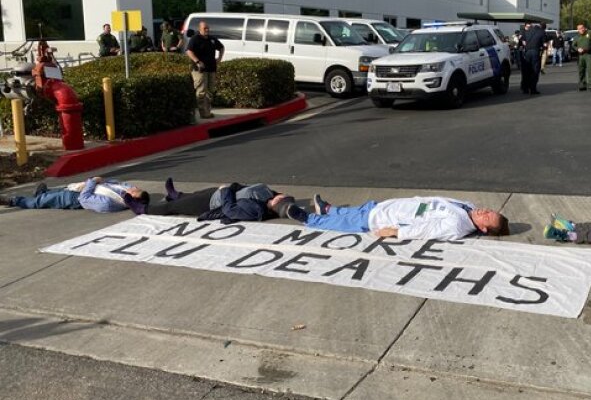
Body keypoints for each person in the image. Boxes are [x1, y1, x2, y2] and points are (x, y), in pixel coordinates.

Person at [285, 194, 510, 242]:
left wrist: (395, 232)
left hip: (385, 220)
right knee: (359, 210)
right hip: (394, 206)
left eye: (488, 217)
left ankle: (309, 219)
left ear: (482, 229)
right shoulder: (468, 207)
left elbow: (427, 231)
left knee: (350, 222)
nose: (486, 211)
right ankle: (329, 210)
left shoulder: (458, 225)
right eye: (490, 211)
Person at [127, 178, 292, 223]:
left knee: (173, 207)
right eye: (283, 196)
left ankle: (142, 209)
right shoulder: (269, 193)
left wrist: (226, 191)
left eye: (282, 199)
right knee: (193, 194)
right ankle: (177, 194)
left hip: (210, 204)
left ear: (275, 205)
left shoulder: (257, 209)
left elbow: (230, 210)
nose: (282, 195)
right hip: (218, 193)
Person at [0, 177, 149, 213]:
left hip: (74, 198)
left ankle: (12, 201)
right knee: (55, 192)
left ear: (132, 198)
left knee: (40, 202)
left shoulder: (109, 203)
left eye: (134, 191)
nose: (133, 188)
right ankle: (43, 192)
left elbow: (85, 199)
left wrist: (92, 181)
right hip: (77, 189)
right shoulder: (124, 191)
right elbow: (119, 183)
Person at [186, 21, 225, 119]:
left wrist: (219, 58)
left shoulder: (212, 39)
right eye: (205, 28)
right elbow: (189, 51)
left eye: (208, 28)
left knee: (211, 90)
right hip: (199, 69)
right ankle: (203, 113)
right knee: (201, 90)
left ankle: (207, 111)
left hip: (211, 68)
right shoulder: (195, 39)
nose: (207, 30)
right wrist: (198, 61)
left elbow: (221, 47)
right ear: (200, 29)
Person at [519, 22, 548, 95]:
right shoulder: (542, 32)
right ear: (542, 27)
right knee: (535, 71)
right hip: (536, 52)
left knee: (526, 71)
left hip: (527, 53)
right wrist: (543, 49)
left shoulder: (527, 31)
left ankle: (525, 88)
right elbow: (545, 45)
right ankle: (533, 89)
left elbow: (523, 42)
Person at [572, 23, 591, 92]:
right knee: (581, 71)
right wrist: (577, 49)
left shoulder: (589, 34)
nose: (581, 30)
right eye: (579, 29)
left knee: (590, 70)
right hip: (580, 56)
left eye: (582, 28)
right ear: (577, 30)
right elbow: (573, 45)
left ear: (585, 28)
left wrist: (589, 31)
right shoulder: (576, 37)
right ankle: (582, 85)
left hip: (589, 55)